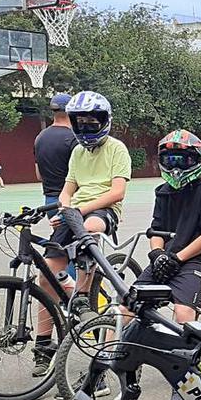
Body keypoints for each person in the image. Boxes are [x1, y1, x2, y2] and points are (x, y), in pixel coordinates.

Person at [33, 90, 131, 377]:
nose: (86, 127)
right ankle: (43, 345)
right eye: (81, 122)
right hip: (74, 212)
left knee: (89, 229)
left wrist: (81, 209)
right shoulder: (77, 151)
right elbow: (67, 189)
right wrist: (64, 209)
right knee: (46, 274)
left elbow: (117, 191)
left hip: (104, 210)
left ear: (104, 121)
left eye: (92, 121)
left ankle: (82, 294)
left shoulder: (117, 149)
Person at [131, 130, 201, 400]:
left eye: (183, 160)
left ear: (195, 160)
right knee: (129, 303)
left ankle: (185, 381)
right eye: (170, 159)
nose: (175, 166)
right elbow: (156, 229)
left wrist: (178, 257)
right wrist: (158, 253)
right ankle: (126, 363)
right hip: (165, 258)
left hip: (192, 260)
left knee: (183, 313)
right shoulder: (162, 192)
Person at [35, 94, 78, 210]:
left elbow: (39, 175)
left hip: (50, 203)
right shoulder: (74, 138)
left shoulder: (40, 137)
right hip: (72, 201)